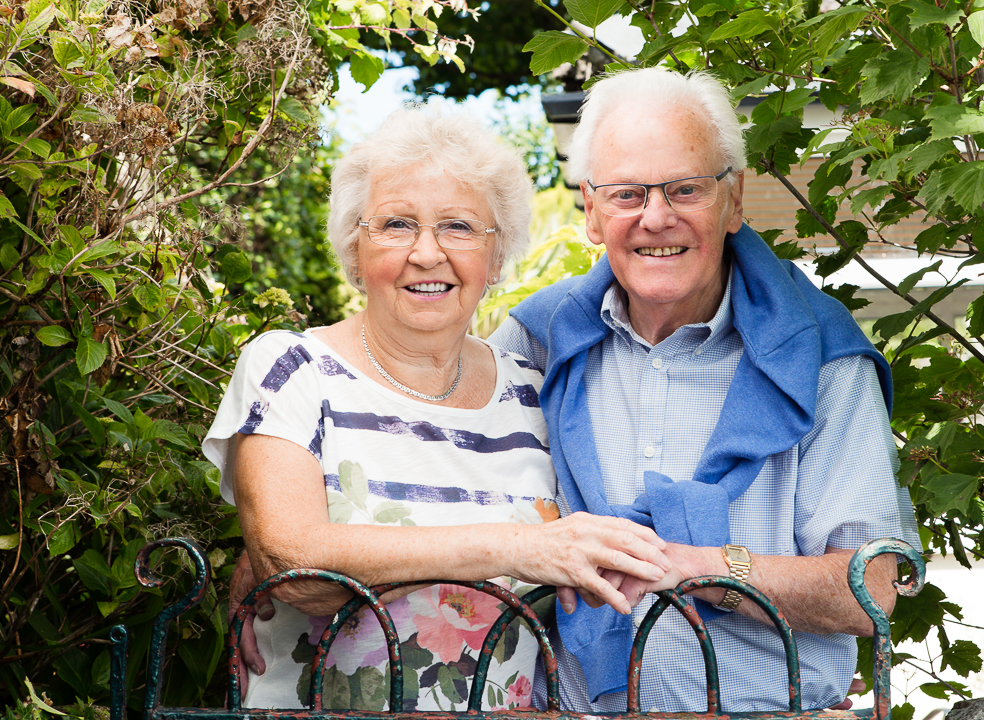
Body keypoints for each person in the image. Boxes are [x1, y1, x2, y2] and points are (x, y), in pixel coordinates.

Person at [202, 108, 673, 711]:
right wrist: (518, 548)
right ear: (354, 245)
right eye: (397, 225)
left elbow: (595, 551)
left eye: (458, 227)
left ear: (496, 257)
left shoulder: (532, 391)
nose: (427, 253)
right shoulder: (292, 369)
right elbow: (294, 565)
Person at [488, 67, 921, 713]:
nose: (656, 218)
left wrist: (697, 567)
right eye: (627, 193)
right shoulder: (535, 342)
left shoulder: (822, 356)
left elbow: (871, 586)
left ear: (734, 199)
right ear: (590, 208)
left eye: (685, 188)